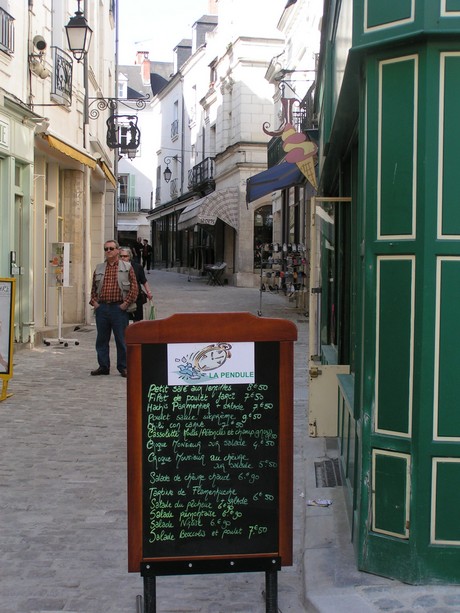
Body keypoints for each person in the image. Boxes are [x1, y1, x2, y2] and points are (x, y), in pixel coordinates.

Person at [89, 239, 138, 378]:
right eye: (106, 249)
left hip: (119, 308)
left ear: (117, 250)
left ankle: (123, 367)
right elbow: (93, 288)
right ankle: (103, 366)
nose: (108, 251)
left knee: (121, 339)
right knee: (102, 339)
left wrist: (125, 304)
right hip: (102, 308)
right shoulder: (99, 268)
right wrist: (95, 303)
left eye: (111, 248)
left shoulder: (127, 267)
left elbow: (134, 288)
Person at [119, 247, 153, 321]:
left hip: (136, 297)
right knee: (123, 320)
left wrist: (149, 292)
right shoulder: (116, 268)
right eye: (121, 256)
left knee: (137, 320)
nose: (122, 258)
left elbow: (143, 280)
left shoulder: (137, 267)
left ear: (130, 256)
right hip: (122, 298)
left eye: (125, 256)